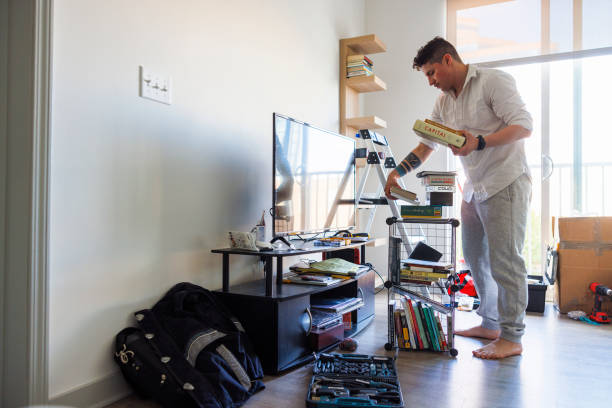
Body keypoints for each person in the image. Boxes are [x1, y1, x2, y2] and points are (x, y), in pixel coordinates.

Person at [385, 37, 532, 359]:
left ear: (448, 60)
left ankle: (512, 337)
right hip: (475, 187)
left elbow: (523, 126)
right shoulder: (443, 104)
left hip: (506, 182)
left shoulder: (493, 81)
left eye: (432, 72)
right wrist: (398, 172)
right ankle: (491, 324)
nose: (431, 81)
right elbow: (426, 146)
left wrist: (479, 142)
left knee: (506, 260)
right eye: (426, 76)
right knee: (475, 256)